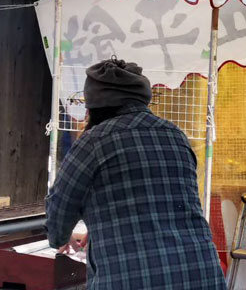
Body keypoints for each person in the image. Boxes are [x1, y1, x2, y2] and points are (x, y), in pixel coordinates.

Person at [46, 58, 226, 289]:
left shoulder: (93, 142)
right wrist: (102, 224)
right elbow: (162, 203)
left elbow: (58, 220)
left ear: (95, 107)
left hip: (132, 278)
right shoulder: (175, 136)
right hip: (200, 273)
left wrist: (60, 237)